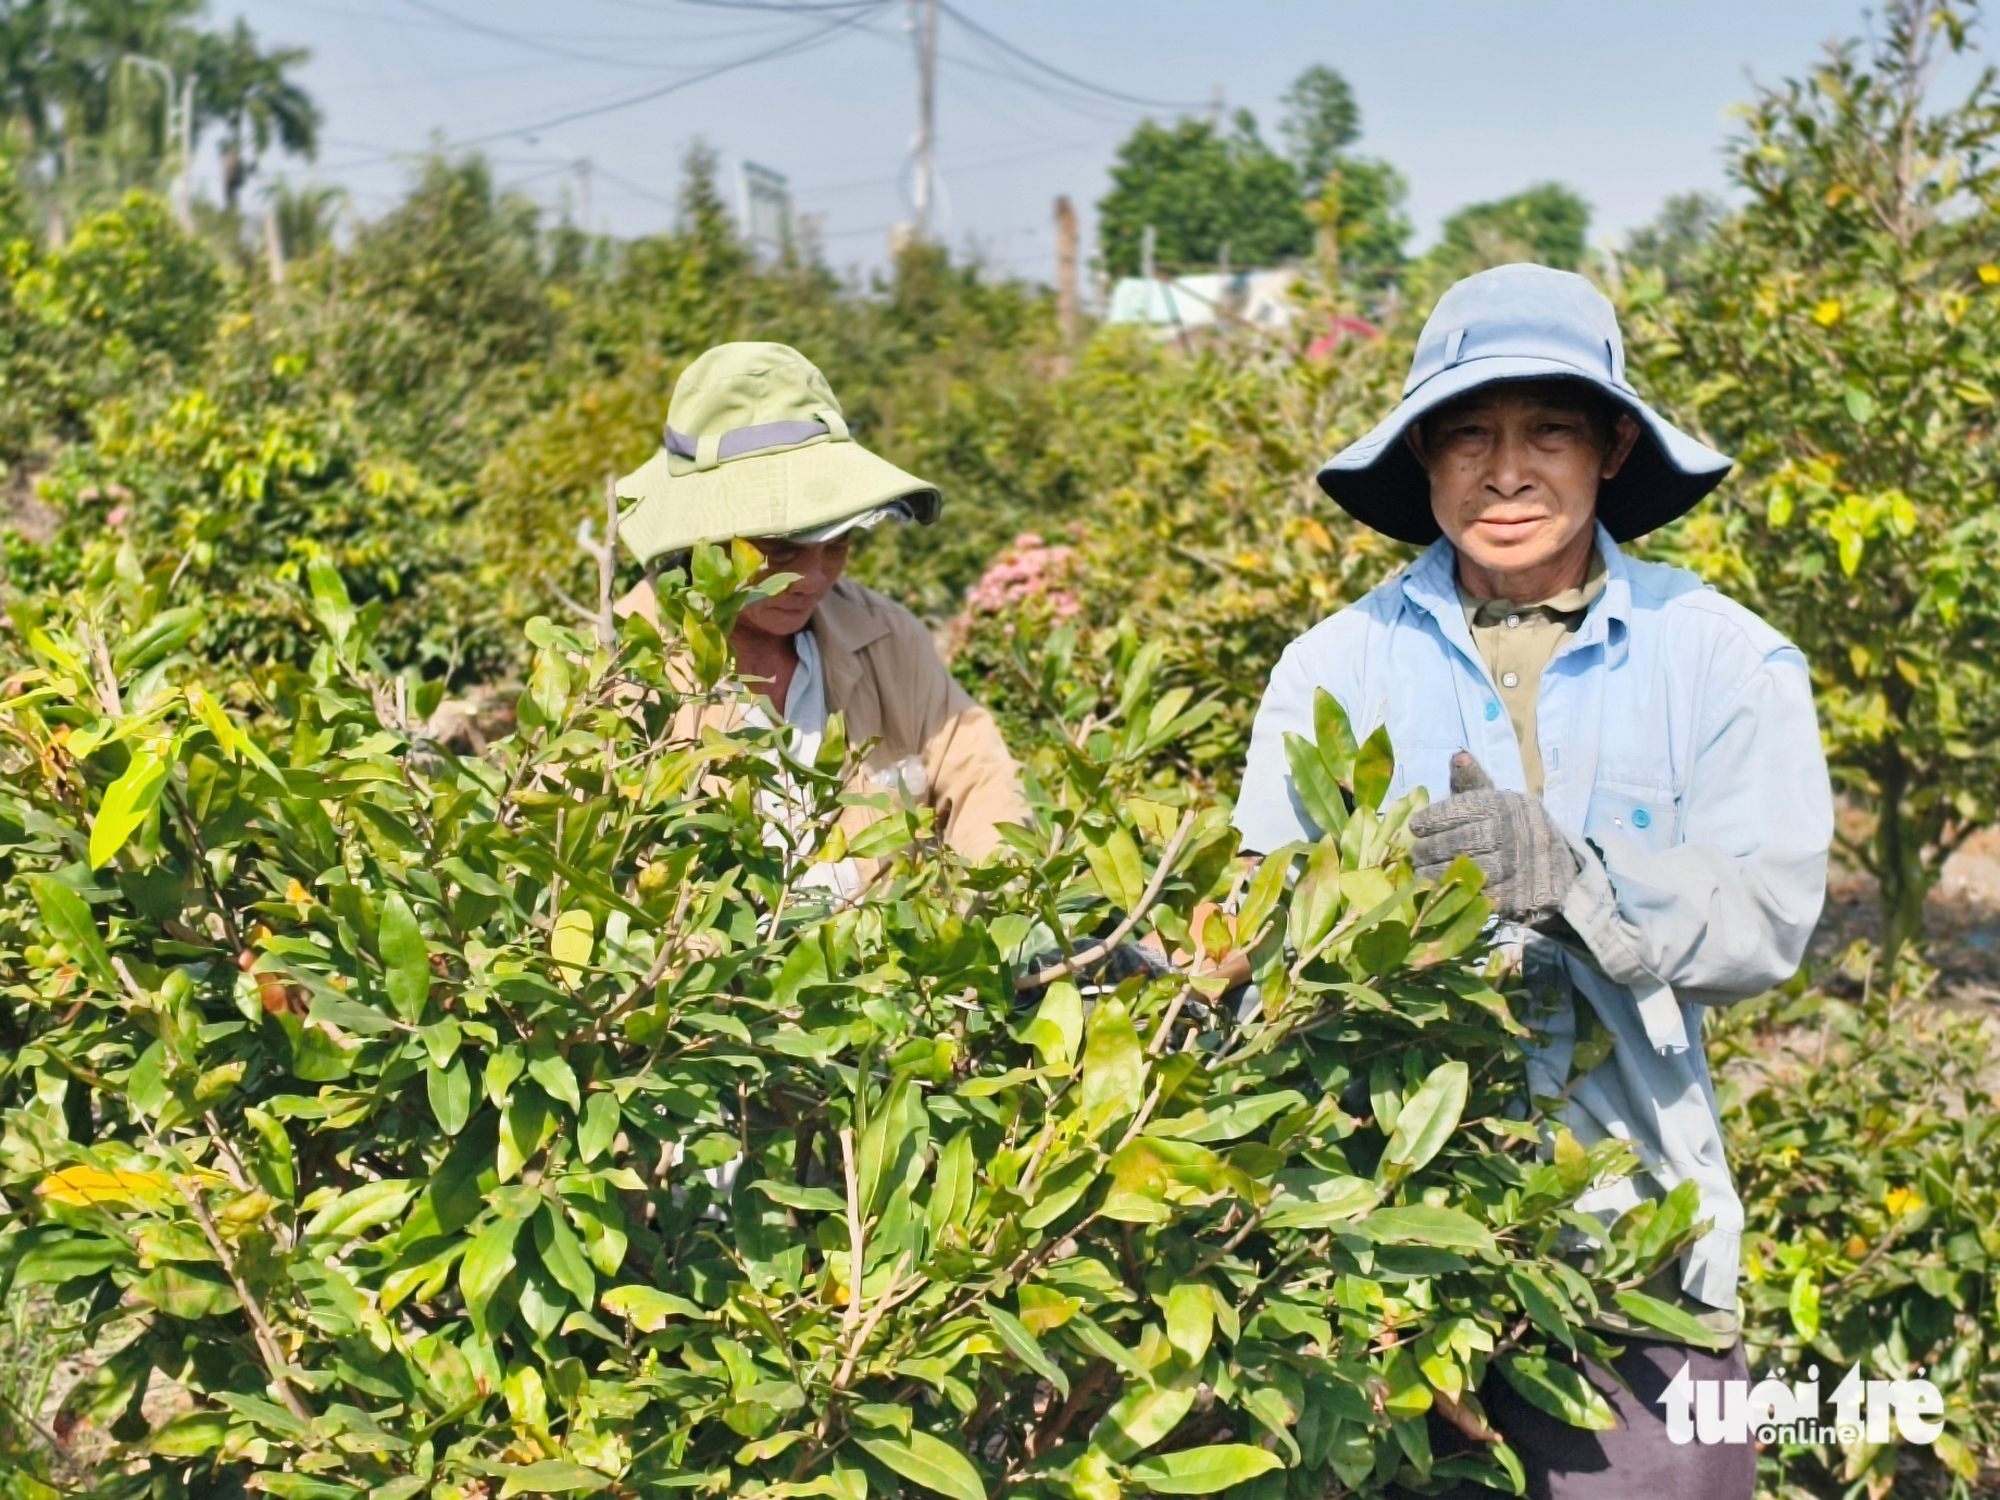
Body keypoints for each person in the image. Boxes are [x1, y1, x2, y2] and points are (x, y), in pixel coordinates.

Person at [1232, 265, 1832, 1498]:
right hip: (1372, 1237)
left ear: (1611, 445)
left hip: (1630, 1233)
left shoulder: (1718, 655)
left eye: (1547, 429)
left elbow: (1766, 912)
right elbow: (1262, 923)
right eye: (1467, 434)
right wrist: (1370, 902)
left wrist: (1579, 879)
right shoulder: (1331, 667)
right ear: (1423, 460)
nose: (1505, 471)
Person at [612, 341, 1026, 886]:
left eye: (836, 545)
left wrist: (999, 915)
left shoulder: (885, 638)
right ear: (702, 542)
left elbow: (979, 776)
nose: (813, 580)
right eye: (781, 552)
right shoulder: (621, 671)